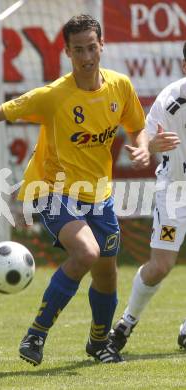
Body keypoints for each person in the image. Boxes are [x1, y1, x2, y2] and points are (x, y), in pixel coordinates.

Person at [0, 15, 149, 362]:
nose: (87, 56)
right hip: (53, 188)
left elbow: (138, 127)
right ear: (66, 52)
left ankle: (98, 341)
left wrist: (143, 146)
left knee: (107, 275)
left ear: (102, 45)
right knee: (86, 254)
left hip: (99, 196)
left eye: (92, 47)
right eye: (78, 50)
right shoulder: (54, 95)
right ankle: (36, 334)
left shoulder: (120, 87)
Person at [109, 44, 186, 352]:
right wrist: (149, 148)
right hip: (175, 192)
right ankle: (126, 323)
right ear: (184, 65)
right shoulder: (170, 100)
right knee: (161, 266)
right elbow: (147, 140)